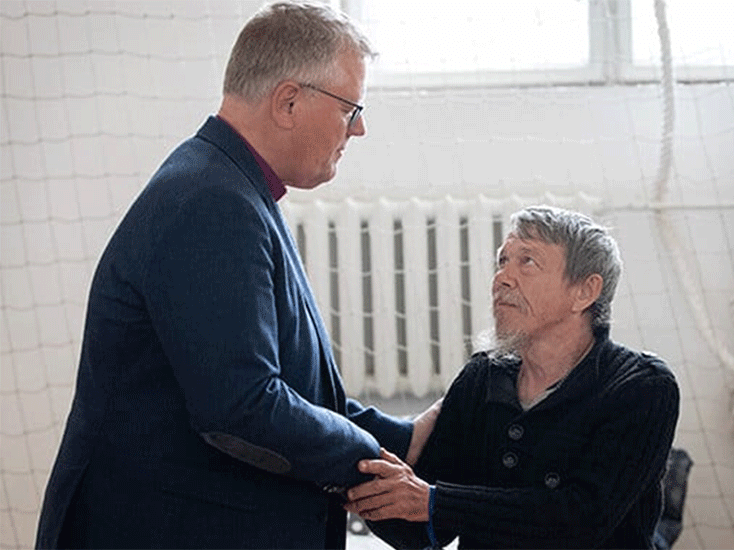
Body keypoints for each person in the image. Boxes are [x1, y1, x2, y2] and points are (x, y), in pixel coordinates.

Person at [34, 2, 439, 548]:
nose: (359, 128)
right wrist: (370, 461)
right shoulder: (209, 201)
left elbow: (293, 381)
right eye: (351, 108)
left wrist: (405, 438)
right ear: (289, 101)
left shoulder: (228, 184)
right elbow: (243, 404)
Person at [345, 206, 681, 549]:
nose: (502, 278)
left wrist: (435, 502)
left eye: (528, 261)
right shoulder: (481, 378)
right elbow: (424, 528)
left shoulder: (642, 387)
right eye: (502, 261)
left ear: (584, 291)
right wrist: (370, 493)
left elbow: (582, 519)